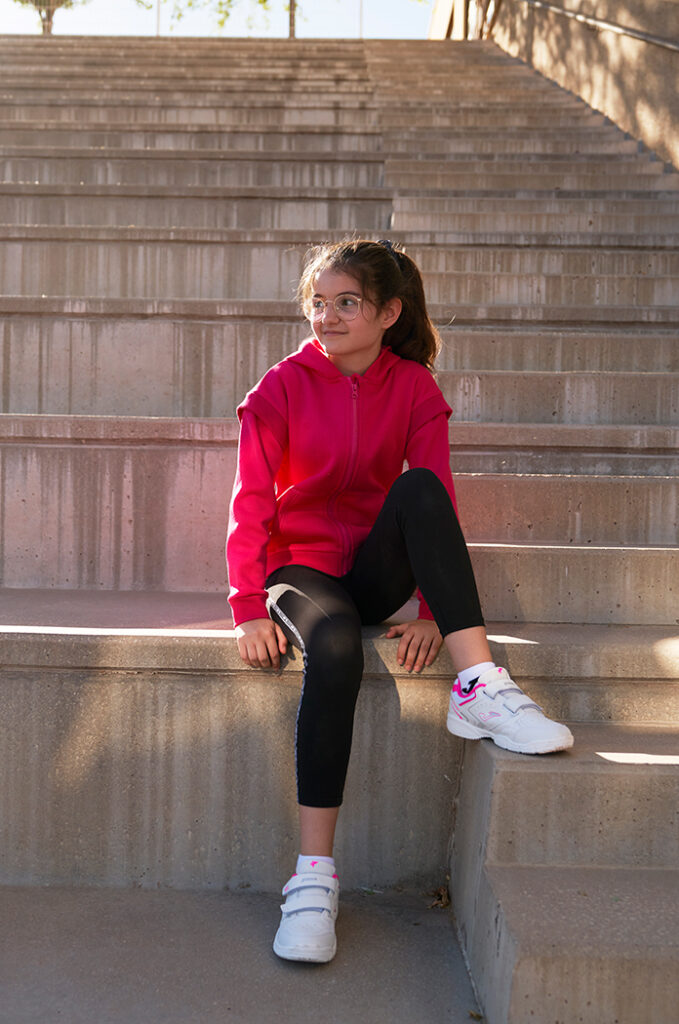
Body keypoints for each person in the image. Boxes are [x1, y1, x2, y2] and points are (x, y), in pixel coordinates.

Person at [226, 238, 573, 964]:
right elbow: (251, 501)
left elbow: (435, 504)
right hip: (302, 572)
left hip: (375, 571)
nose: (326, 316)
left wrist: (430, 612)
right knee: (335, 647)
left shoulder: (413, 387)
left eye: (346, 303)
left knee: (418, 488)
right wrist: (248, 605)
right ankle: (313, 878)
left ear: (389, 312)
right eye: (318, 302)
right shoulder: (280, 386)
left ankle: (477, 684)